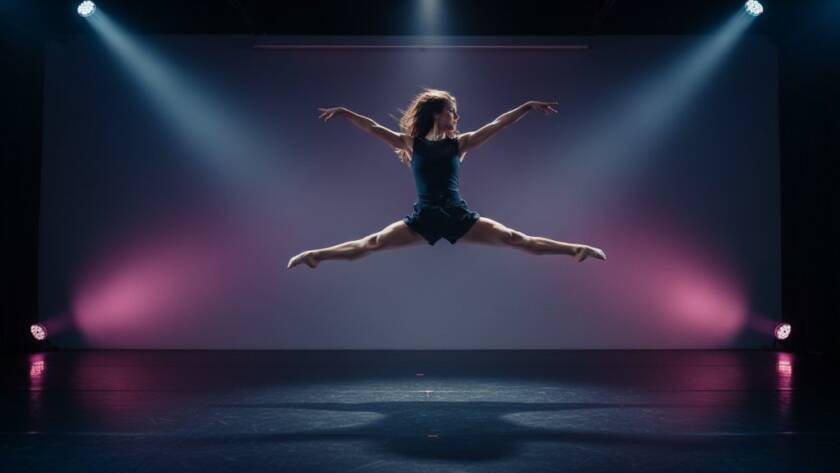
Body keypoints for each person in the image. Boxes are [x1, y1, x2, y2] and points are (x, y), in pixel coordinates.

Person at [288, 88, 606, 269]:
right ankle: (316, 255)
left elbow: (497, 125)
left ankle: (575, 249)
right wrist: (345, 112)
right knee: (372, 243)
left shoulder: (460, 144)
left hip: (456, 214)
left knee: (514, 238)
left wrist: (525, 107)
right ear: (438, 113)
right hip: (425, 216)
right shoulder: (411, 144)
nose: (456, 117)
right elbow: (373, 128)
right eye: (452, 111)